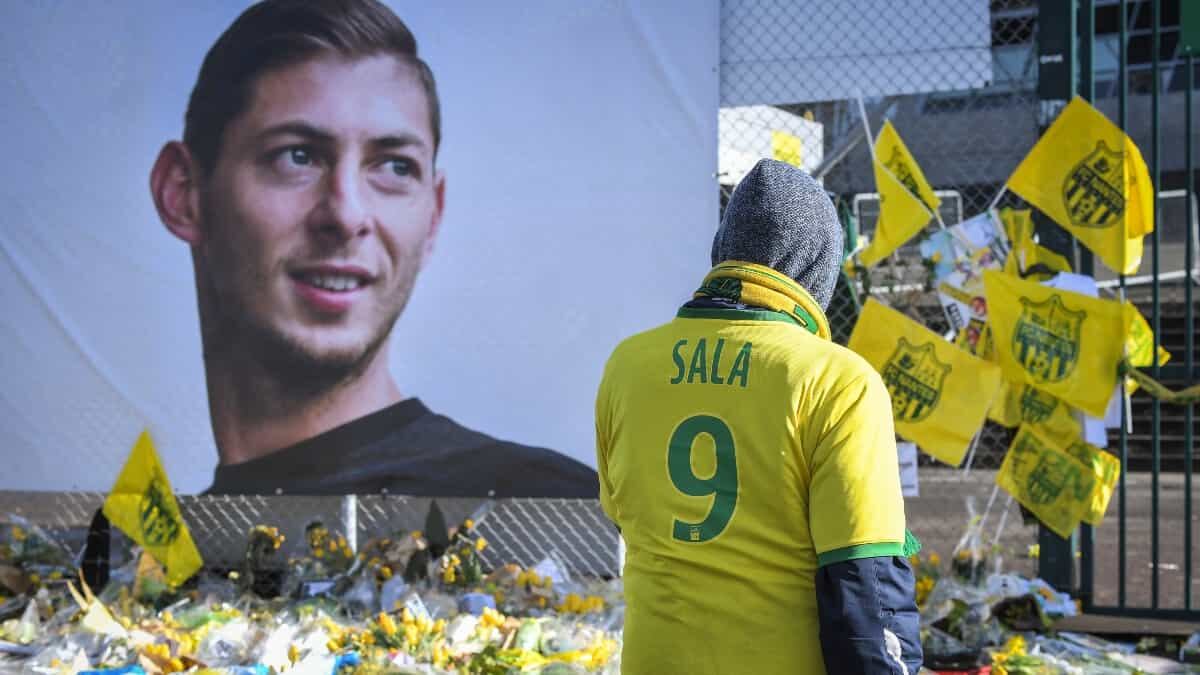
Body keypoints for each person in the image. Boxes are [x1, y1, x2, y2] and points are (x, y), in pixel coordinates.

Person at [149, 0, 597, 498]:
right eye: (296, 156)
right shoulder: (146, 561)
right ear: (183, 193)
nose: (345, 215)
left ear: (433, 216)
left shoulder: (558, 519)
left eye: (394, 167)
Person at [595, 159, 923, 674]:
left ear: (722, 252)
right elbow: (868, 585)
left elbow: (623, 516)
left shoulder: (627, 366)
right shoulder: (839, 381)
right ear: (820, 269)